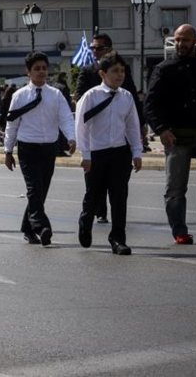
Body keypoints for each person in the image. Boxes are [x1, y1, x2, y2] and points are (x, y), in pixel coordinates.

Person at [144, 24, 196, 245]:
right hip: (176, 134)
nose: (181, 44)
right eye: (178, 40)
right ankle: (180, 230)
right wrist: (161, 130)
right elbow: (151, 104)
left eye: (185, 40)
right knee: (175, 186)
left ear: (195, 41)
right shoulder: (164, 69)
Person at [4, 52, 76, 246]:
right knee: (34, 189)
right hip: (28, 147)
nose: (41, 72)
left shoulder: (55, 95)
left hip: (49, 148)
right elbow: (12, 124)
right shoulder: (19, 96)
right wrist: (8, 151)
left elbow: (65, 118)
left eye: (44, 68)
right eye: (37, 69)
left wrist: (71, 137)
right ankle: (42, 226)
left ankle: (27, 227)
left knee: (41, 191)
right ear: (28, 72)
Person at [75, 52, 143, 255]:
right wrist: (85, 154)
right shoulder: (91, 96)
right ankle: (85, 222)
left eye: (122, 70)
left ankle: (117, 239)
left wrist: (136, 152)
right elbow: (81, 127)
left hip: (120, 154)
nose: (119, 75)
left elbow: (132, 126)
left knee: (119, 197)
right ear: (103, 74)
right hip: (96, 154)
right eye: (115, 71)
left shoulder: (126, 97)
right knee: (93, 196)